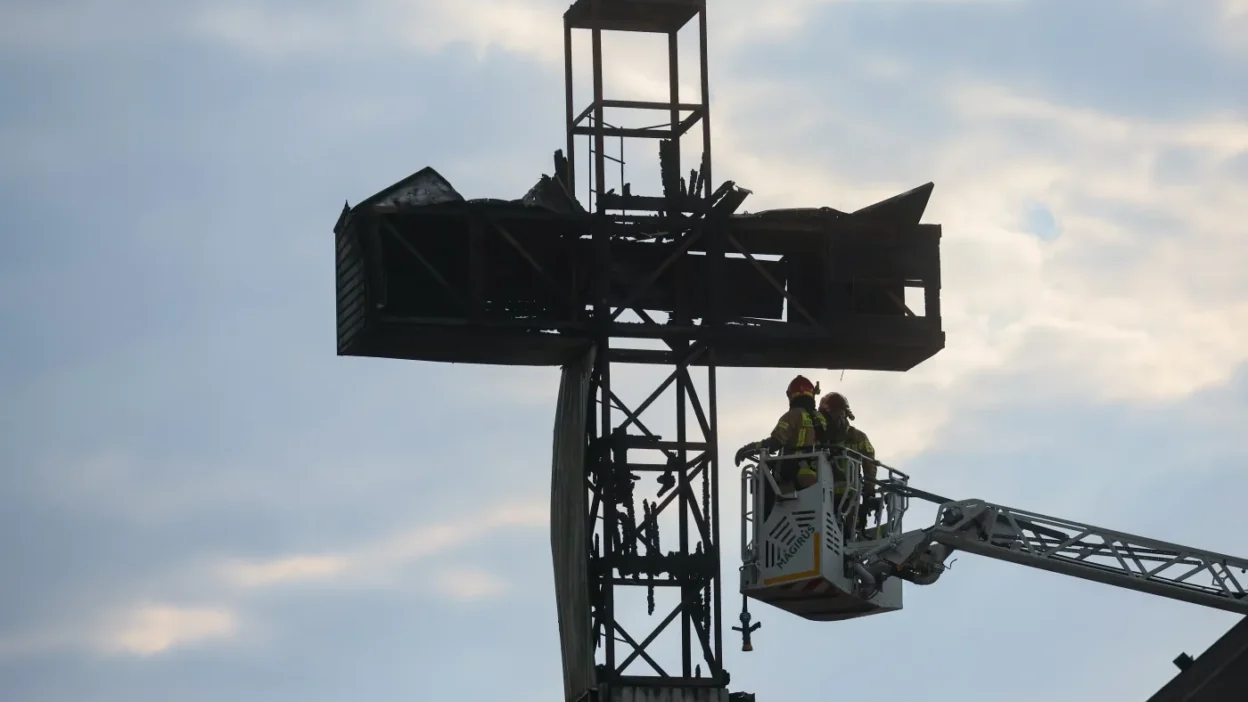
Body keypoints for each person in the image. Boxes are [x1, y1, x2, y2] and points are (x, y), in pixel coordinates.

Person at [734, 375, 828, 519]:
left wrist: (749, 448)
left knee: (761, 477)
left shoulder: (792, 416)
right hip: (821, 475)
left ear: (792, 396)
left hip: (797, 474)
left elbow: (775, 443)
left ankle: (766, 522)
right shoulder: (821, 418)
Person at [818, 392, 880, 536]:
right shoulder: (818, 439)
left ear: (845, 414)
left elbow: (870, 465)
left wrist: (869, 493)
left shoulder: (858, 437)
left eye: (838, 414)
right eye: (829, 415)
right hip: (822, 499)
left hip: (849, 499)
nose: (834, 419)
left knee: (847, 537)